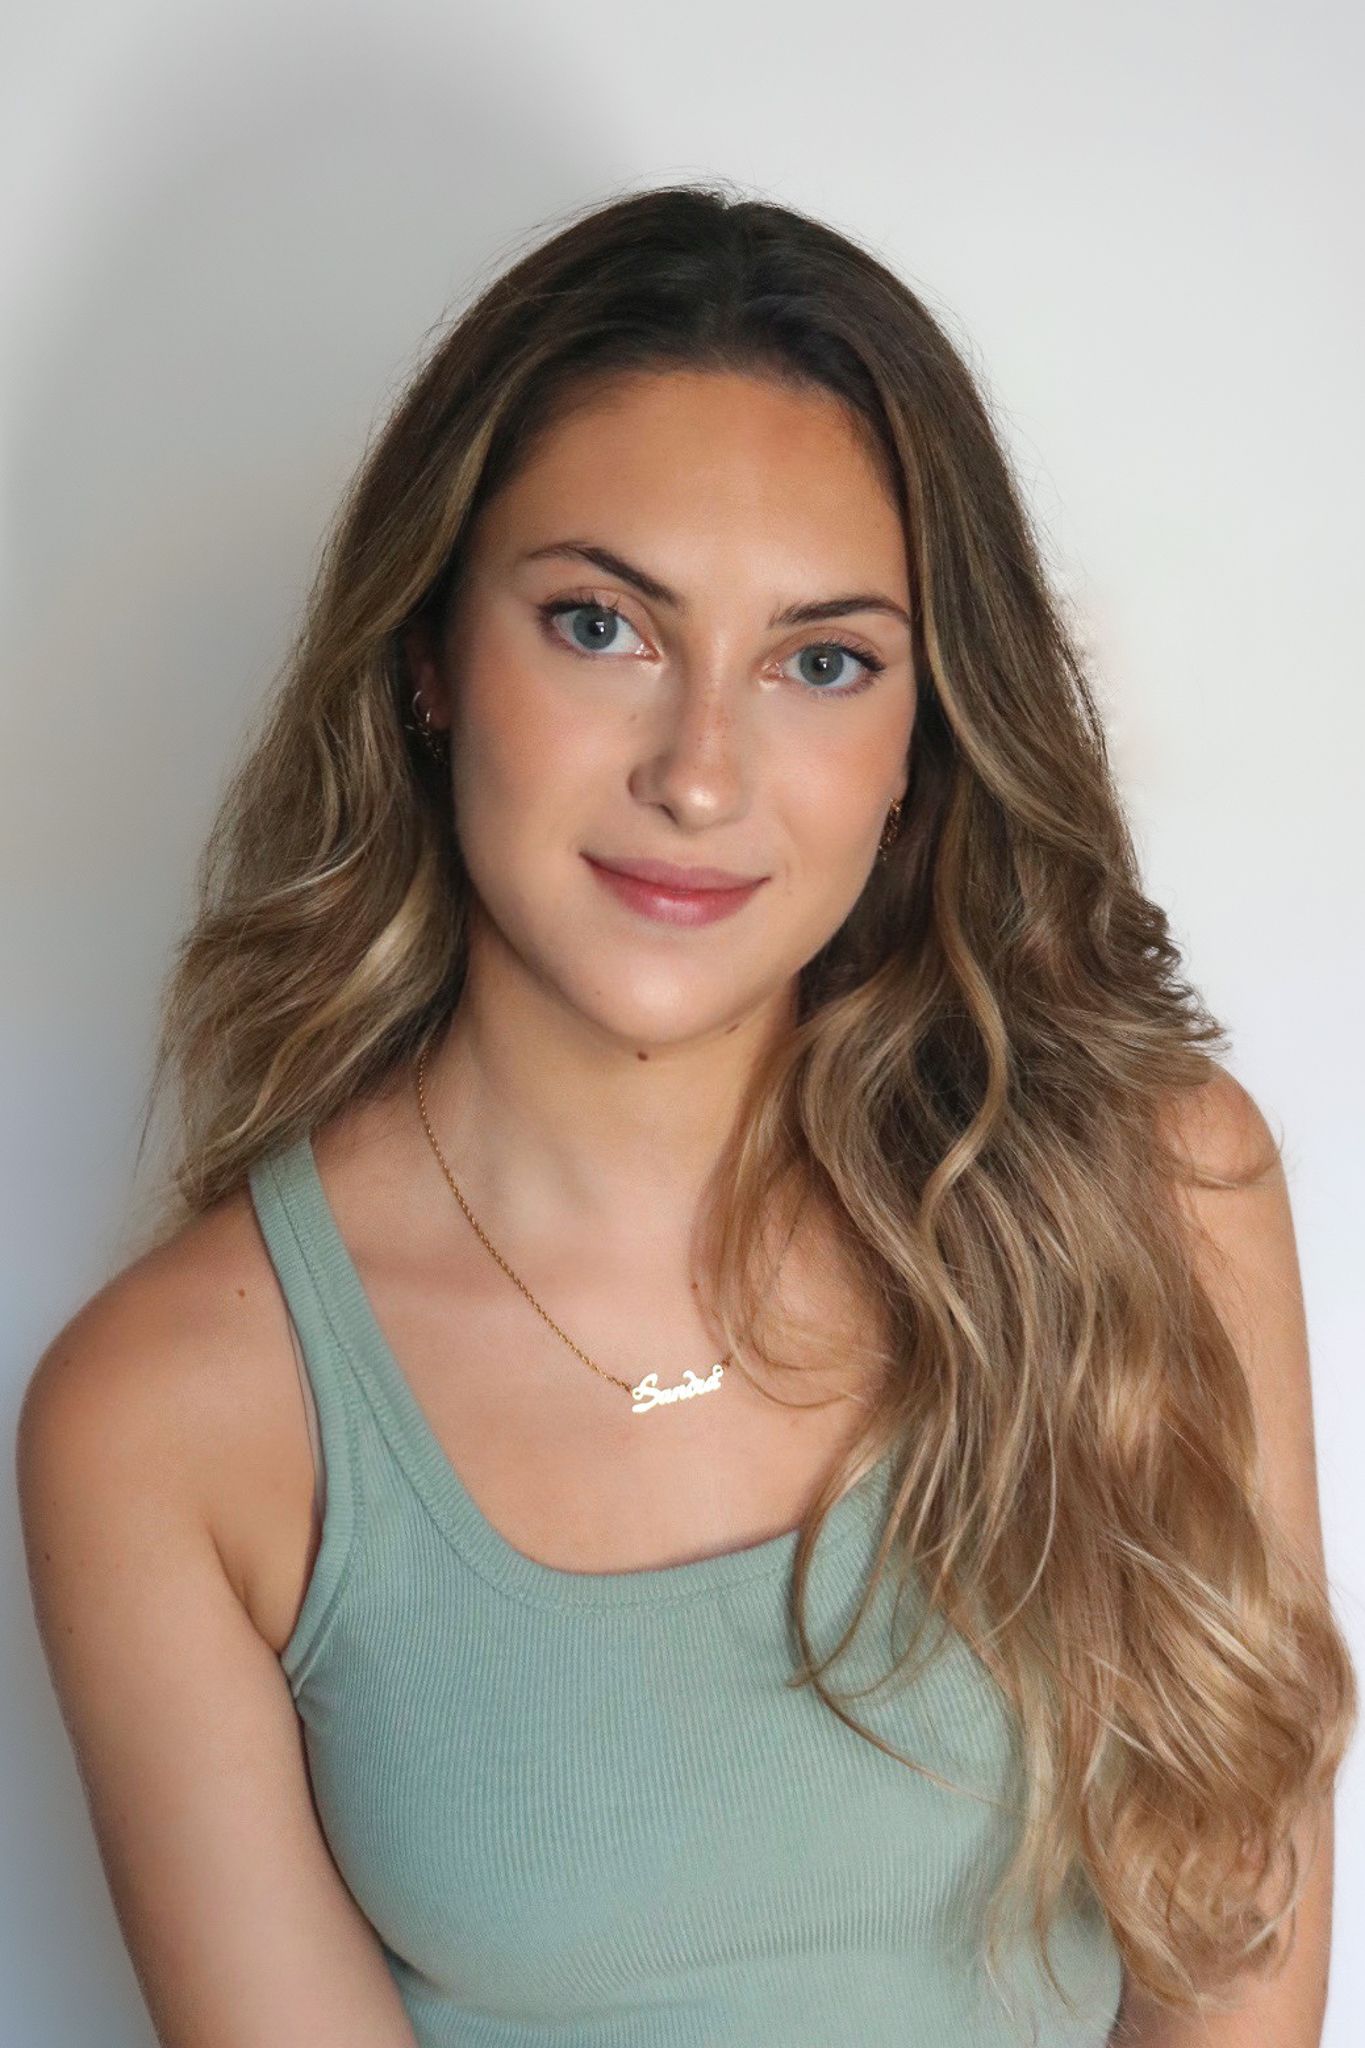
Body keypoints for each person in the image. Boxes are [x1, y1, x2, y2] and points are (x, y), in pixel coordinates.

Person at [16, 182, 1355, 2048]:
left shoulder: (1153, 1196)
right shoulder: (174, 1416)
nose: (700, 774)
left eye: (823, 662)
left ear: (918, 744)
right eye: (600, 625)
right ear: (427, 658)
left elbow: (1234, 1978)